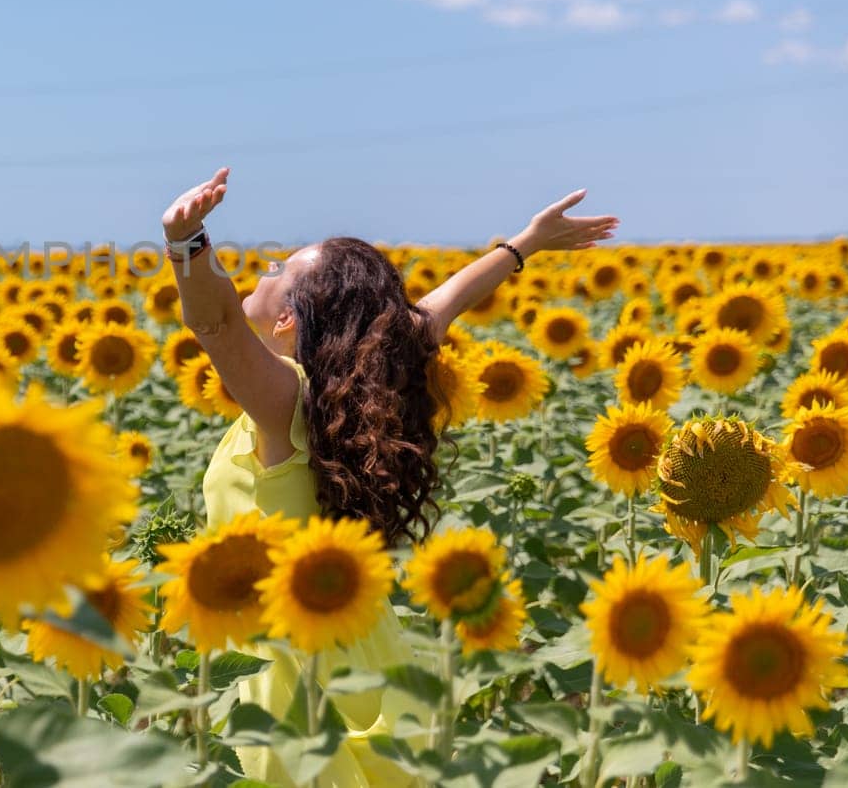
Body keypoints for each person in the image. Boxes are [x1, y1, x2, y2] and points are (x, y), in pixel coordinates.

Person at [162, 167, 618, 787]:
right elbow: (440, 305)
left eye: (276, 272)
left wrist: (188, 245)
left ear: (288, 320)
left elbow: (215, 325)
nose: (261, 273)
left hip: (291, 670)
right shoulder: (357, 384)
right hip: (359, 643)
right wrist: (523, 245)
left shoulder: (285, 401)